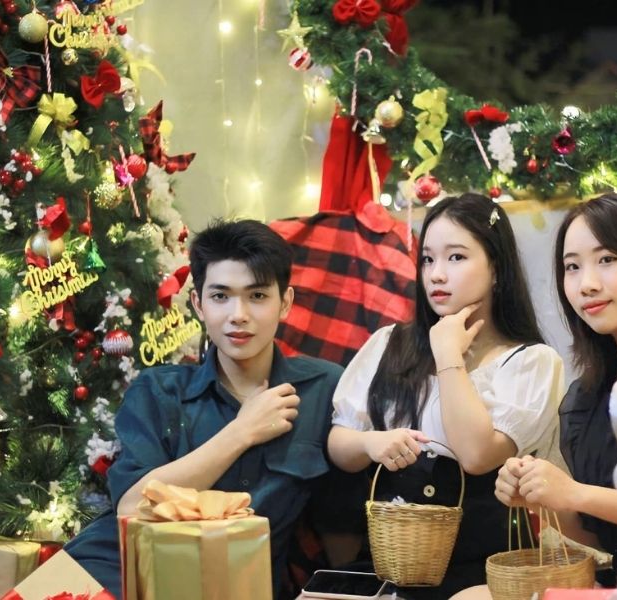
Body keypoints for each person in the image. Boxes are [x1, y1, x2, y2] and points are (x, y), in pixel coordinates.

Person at [65, 219, 344, 599]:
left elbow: (345, 520)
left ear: (285, 303)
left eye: (257, 295)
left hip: (229, 586)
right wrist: (241, 432)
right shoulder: (158, 391)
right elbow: (131, 506)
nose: (238, 314)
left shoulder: (323, 389)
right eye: (220, 296)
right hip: (112, 576)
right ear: (198, 304)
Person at [328, 193, 566, 599]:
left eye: (456, 257)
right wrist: (371, 443)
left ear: (496, 268)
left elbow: (477, 455)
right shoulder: (389, 343)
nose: (436, 275)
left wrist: (447, 356)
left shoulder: (531, 362)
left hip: (486, 572)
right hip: (392, 563)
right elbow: (339, 443)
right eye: (428, 259)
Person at [495, 192, 617, 588]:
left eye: (607, 259)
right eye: (572, 267)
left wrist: (575, 493)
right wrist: (541, 498)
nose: (587, 284)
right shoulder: (588, 396)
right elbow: (598, 539)